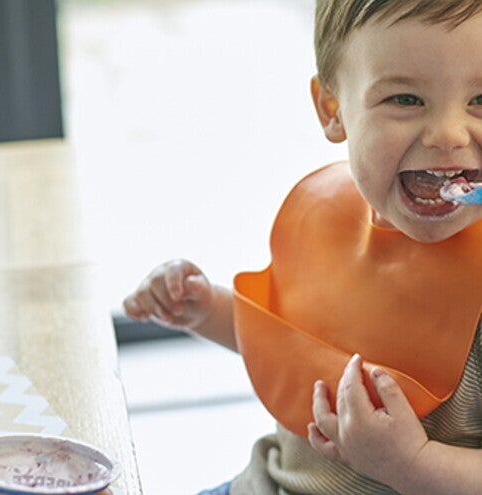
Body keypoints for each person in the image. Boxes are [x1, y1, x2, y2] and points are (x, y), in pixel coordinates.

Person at [123, 1, 482, 494]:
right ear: (333, 110)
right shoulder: (327, 218)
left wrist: (412, 464)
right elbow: (298, 339)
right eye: (405, 99)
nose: (448, 134)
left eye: (481, 99)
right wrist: (202, 307)